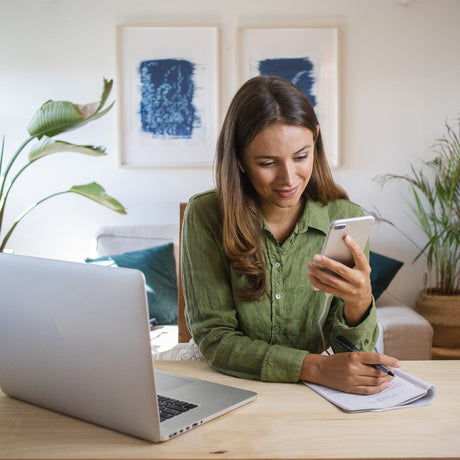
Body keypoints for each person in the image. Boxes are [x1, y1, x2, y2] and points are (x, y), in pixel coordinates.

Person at [181, 75, 399, 395]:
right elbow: (216, 339)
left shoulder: (344, 218)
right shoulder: (205, 215)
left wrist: (360, 301)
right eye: (268, 162)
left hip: (314, 389)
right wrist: (314, 367)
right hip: (227, 381)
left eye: (301, 156)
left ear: (316, 141)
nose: (288, 179)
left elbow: (350, 353)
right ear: (239, 158)